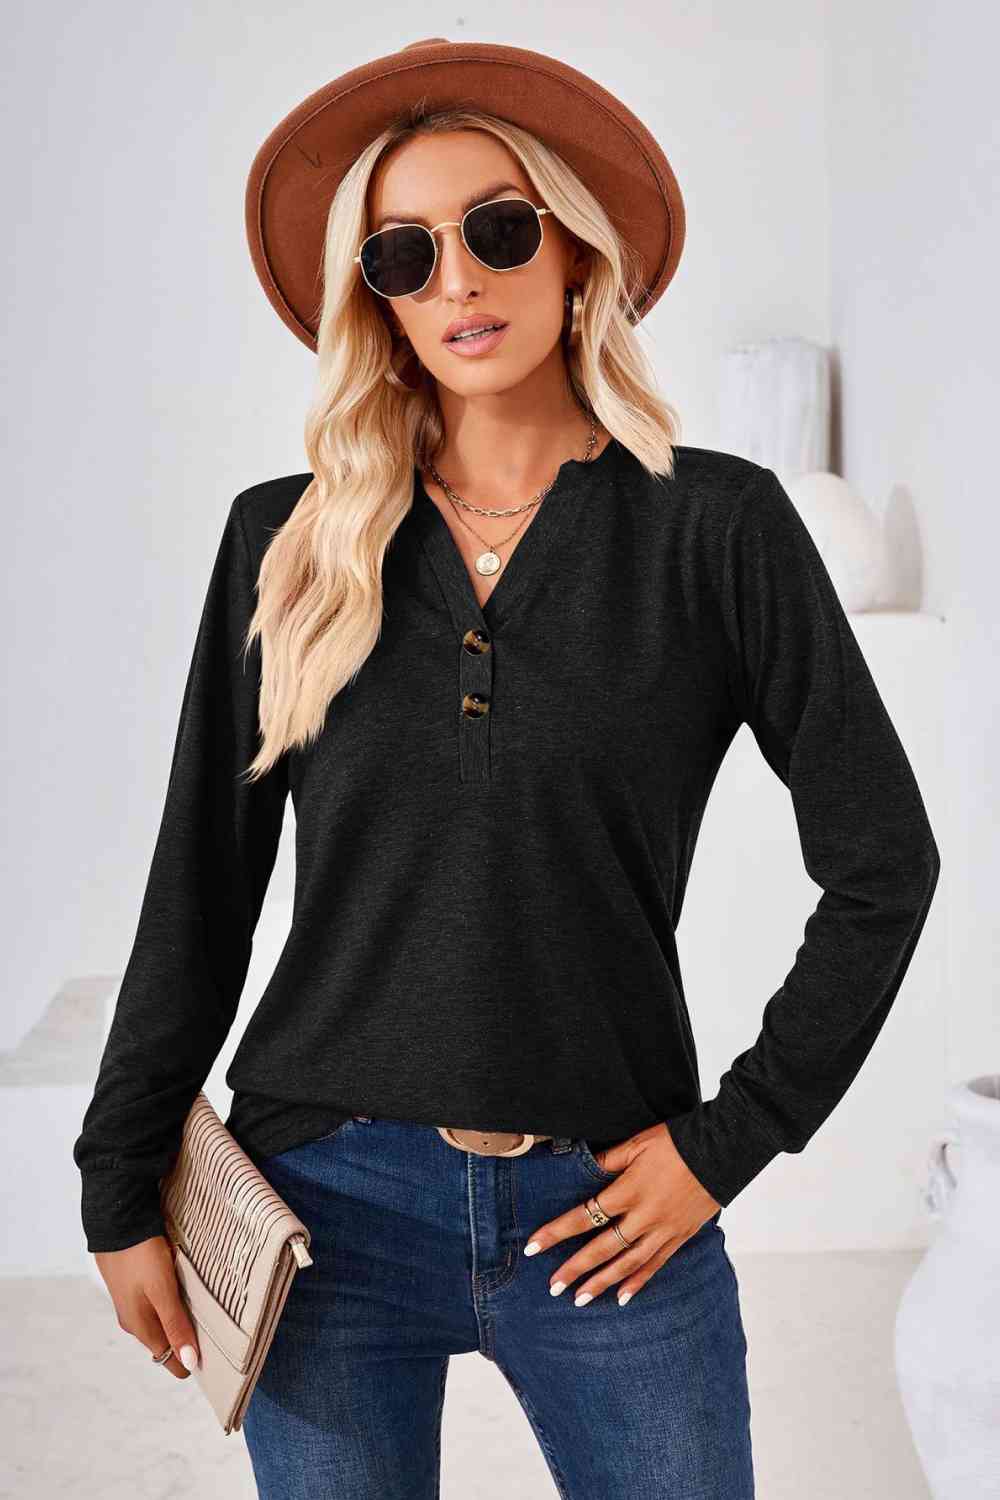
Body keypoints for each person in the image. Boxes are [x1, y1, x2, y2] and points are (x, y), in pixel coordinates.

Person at [73, 39, 941, 1499]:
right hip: (322, 1201)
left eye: (496, 229)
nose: (458, 281)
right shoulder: (287, 541)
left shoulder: (716, 531)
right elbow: (200, 893)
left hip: (609, 1203)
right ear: (377, 300)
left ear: (574, 251)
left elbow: (884, 864)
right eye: (405, 254)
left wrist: (730, 1142)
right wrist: (118, 1177)